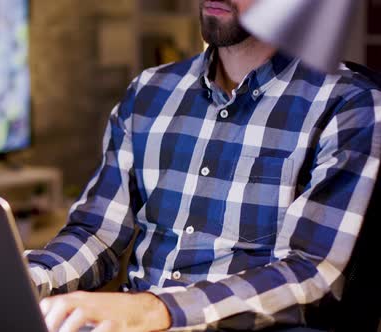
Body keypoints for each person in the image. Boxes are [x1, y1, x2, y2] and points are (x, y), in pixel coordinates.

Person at [25, 0, 381, 331]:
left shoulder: (350, 104)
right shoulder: (149, 91)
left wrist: (154, 310)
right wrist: (28, 278)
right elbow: (96, 233)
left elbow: (309, 272)